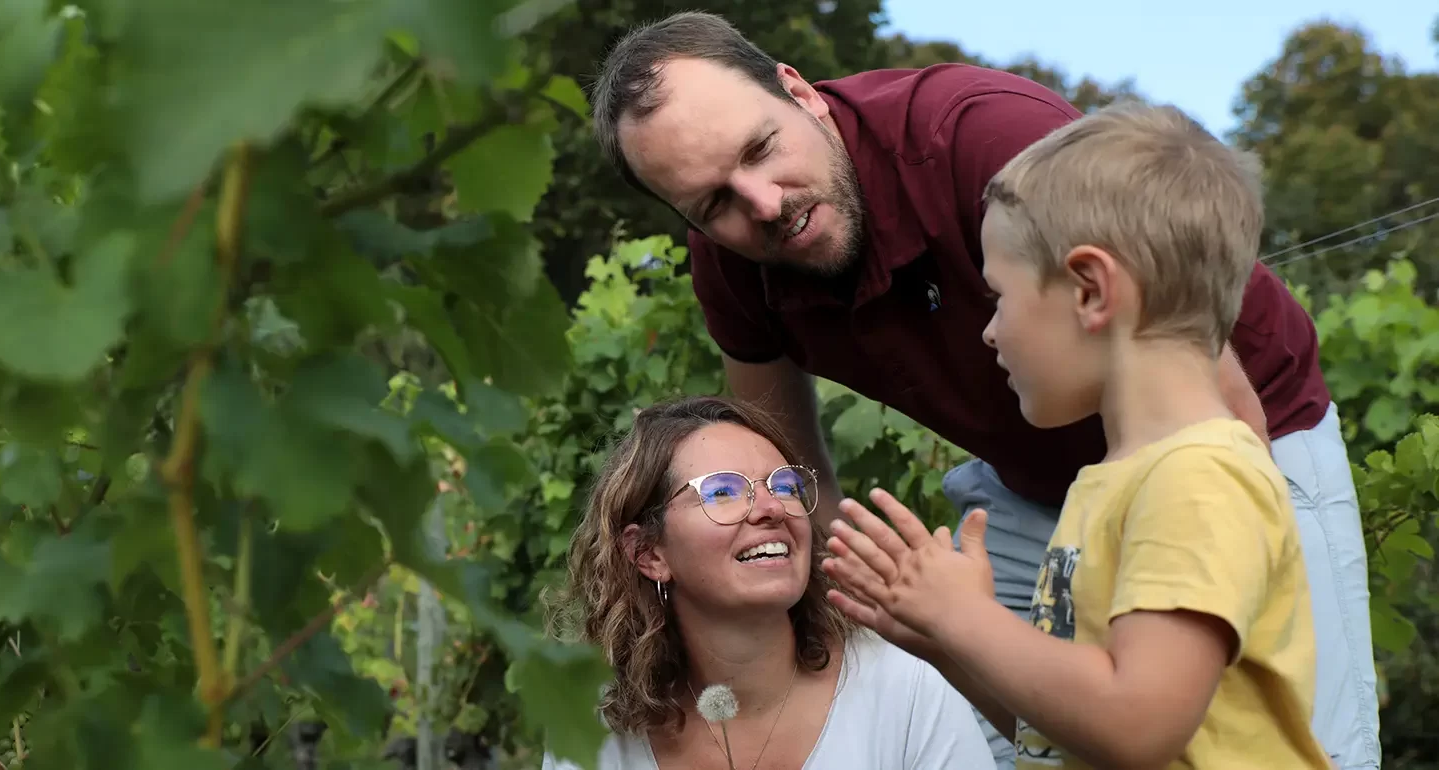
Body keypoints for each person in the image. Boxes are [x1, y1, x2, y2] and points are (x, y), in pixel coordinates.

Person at [587, 11, 1377, 769]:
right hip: (1059, 475)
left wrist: (1242, 546)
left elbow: (1213, 420)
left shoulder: (984, 142)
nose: (762, 204)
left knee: (1295, 728)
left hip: (1242, 430)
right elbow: (788, 462)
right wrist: (932, 630)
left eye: (760, 149)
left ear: (798, 89)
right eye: (714, 204)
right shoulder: (733, 265)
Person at [821, 101, 1327, 768]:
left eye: (999, 295)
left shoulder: (1199, 477)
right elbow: (1062, 734)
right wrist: (947, 641)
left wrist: (966, 618)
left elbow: (1138, 726)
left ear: (1090, 291)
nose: (989, 329)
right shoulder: (1114, 482)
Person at [538, 396, 993, 769]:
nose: (772, 507)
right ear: (648, 554)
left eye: (785, 485)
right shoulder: (596, 731)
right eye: (722, 491)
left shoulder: (904, 686)